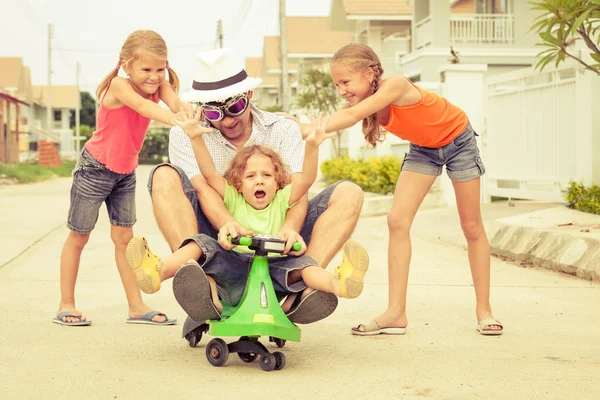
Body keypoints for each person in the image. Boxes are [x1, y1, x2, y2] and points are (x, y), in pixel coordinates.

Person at [143, 47, 367, 324]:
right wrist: (228, 223)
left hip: (280, 241)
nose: (227, 120)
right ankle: (202, 284)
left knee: (350, 192)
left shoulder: (282, 129)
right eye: (215, 114)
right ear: (202, 109)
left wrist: (289, 229)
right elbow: (205, 186)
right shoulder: (186, 133)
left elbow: (300, 189)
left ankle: (301, 287)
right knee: (164, 176)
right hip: (219, 240)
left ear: (249, 96)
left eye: (235, 107)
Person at [317, 43, 502, 336]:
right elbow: (334, 120)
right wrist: (298, 126)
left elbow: (349, 119)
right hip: (424, 150)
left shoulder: (396, 85)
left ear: (369, 73)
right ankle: (395, 313)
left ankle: (484, 310)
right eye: (336, 84)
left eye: (345, 82)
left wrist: (309, 128)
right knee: (397, 220)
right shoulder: (361, 102)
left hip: (459, 142)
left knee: (471, 226)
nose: (341, 90)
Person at [126, 113, 369, 320]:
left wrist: (313, 147)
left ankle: (341, 284)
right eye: (251, 176)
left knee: (307, 267)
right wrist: (196, 138)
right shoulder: (233, 197)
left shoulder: (282, 199)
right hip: (233, 263)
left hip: (275, 266)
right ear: (238, 184)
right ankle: (157, 272)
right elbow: (209, 173)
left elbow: (305, 179)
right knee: (198, 244)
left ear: (278, 181)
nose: (260, 180)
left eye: (267, 175)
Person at [53, 30, 185, 326]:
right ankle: (65, 304)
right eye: (146, 69)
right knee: (79, 237)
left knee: (125, 239)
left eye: (160, 69)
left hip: (125, 173)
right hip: (94, 169)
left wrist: (192, 113)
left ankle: (136, 307)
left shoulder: (159, 85)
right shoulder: (118, 85)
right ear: (126, 65)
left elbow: (176, 104)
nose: (154, 76)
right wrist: (179, 121)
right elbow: (143, 107)